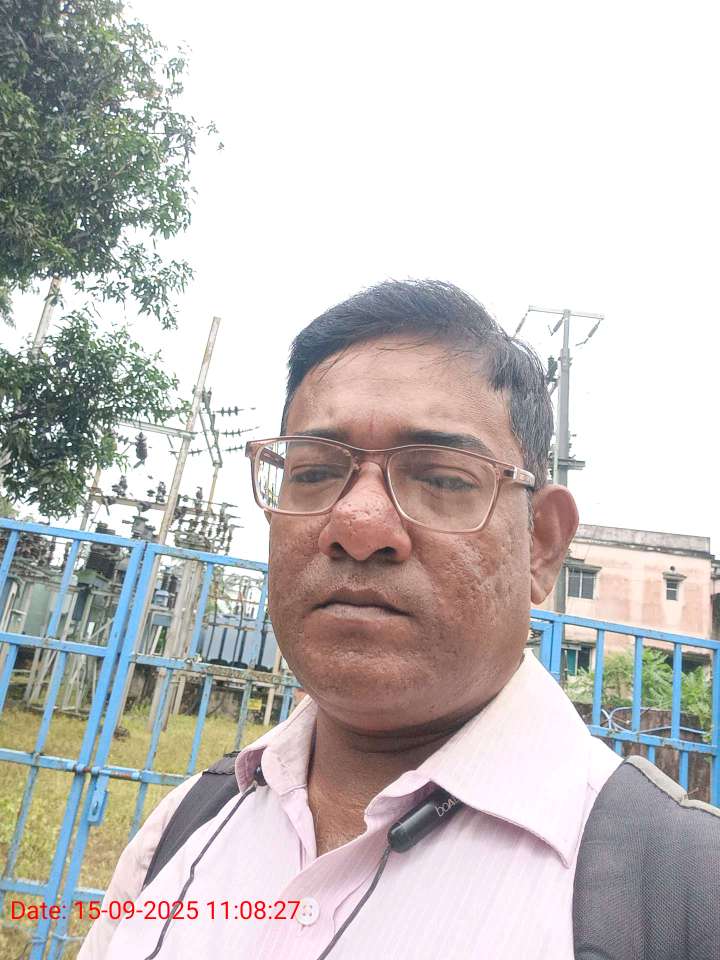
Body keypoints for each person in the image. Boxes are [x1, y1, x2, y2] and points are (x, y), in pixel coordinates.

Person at [78, 281, 714, 960]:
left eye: (441, 478)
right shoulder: (186, 828)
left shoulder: (679, 898)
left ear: (541, 544)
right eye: (314, 472)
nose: (356, 524)